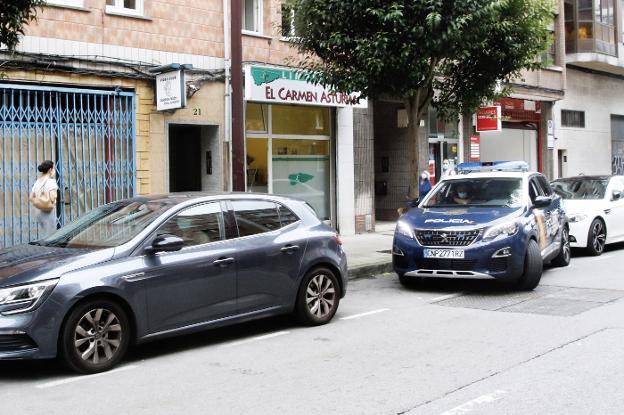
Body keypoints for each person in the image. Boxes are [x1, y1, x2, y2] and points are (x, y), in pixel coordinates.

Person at [29, 160, 59, 238]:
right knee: (50, 237)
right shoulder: (51, 181)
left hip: (39, 212)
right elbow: (53, 197)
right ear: (50, 170)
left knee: (45, 235)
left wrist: (39, 201)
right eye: (53, 168)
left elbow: (31, 197)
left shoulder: (37, 181)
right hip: (48, 212)